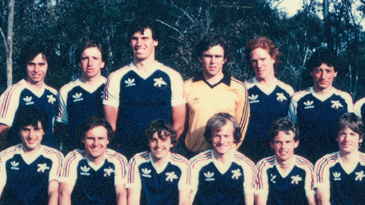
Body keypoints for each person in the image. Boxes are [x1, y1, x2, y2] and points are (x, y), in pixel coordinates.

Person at [104, 18, 186, 157]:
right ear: (130, 42)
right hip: (127, 153)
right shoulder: (116, 77)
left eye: (145, 38)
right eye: (135, 38)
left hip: (161, 155)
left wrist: (161, 149)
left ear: (155, 41)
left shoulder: (172, 76)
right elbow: (110, 126)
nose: (139, 43)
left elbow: (178, 125)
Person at [183, 35, 250, 156]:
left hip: (226, 155)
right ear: (200, 58)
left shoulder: (238, 88)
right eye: (208, 56)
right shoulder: (186, 86)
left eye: (218, 56)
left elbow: (241, 127)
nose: (213, 61)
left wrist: (227, 150)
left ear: (224, 59)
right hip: (193, 154)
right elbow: (182, 124)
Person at [287, 48, 353, 162]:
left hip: (336, 164)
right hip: (306, 162)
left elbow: (351, 133)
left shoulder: (345, 99)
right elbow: (290, 134)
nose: (323, 76)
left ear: (335, 73)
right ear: (311, 72)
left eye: (328, 71)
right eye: (318, 70)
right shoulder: (298, 99)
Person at [239, 36, 295, 161]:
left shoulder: (287, 91)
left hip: (278, 158)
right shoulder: (243, 89)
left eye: (263, 59)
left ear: (273, 58)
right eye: (254, 61)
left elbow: (292, 127)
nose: (259, 65)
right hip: (249, 156)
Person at [0, 42, 59, 149]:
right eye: (31, 64)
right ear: (25, 65)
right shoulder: (13, 92)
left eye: (41, 64)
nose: (36, 70)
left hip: (47, 161)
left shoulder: (54, 94)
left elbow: (51, 130)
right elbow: (0, 135)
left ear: (48, 65)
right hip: (20, 161)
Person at [57, 40, 107, 151]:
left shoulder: (111, 86)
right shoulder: (66, 90)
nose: (90, 63)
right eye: (85, 58)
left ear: (102, 63)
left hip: (105, 155)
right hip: (77, 154)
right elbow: (64, 126)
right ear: (79, 63)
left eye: (95, 58)